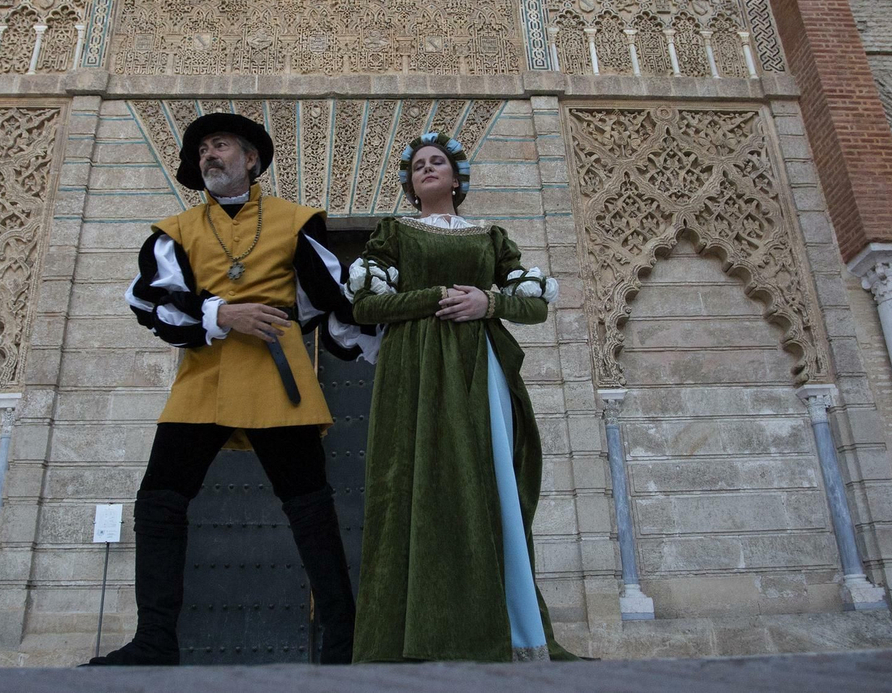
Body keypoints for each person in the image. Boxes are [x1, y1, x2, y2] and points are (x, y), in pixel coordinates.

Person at [87, 113, 374, 667]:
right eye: (201, 152)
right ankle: (154, 642)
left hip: (278, 381)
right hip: (204, 378)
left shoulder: (297, 221)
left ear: (251, 160)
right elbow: (154, 302)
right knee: (160, 502)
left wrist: (392, 339)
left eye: (219, 146)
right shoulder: (175, 230)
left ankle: (344, 642)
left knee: (310, 508)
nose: (208, 156)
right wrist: (221, 313)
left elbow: (332, 296)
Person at [345, 131, 573, 663]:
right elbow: (365, 307)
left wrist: (487, 302)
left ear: (455, 177)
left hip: (478, 368)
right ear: (410, 183)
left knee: (486, 478)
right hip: (413, 373)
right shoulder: (393, 233)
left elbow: (534, 306)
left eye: (437, 162)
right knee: (410, 482)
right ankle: (407, 639)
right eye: (418, 164)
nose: (427, 168)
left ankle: (506, 632)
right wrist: (440, 298)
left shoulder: (490, 237)